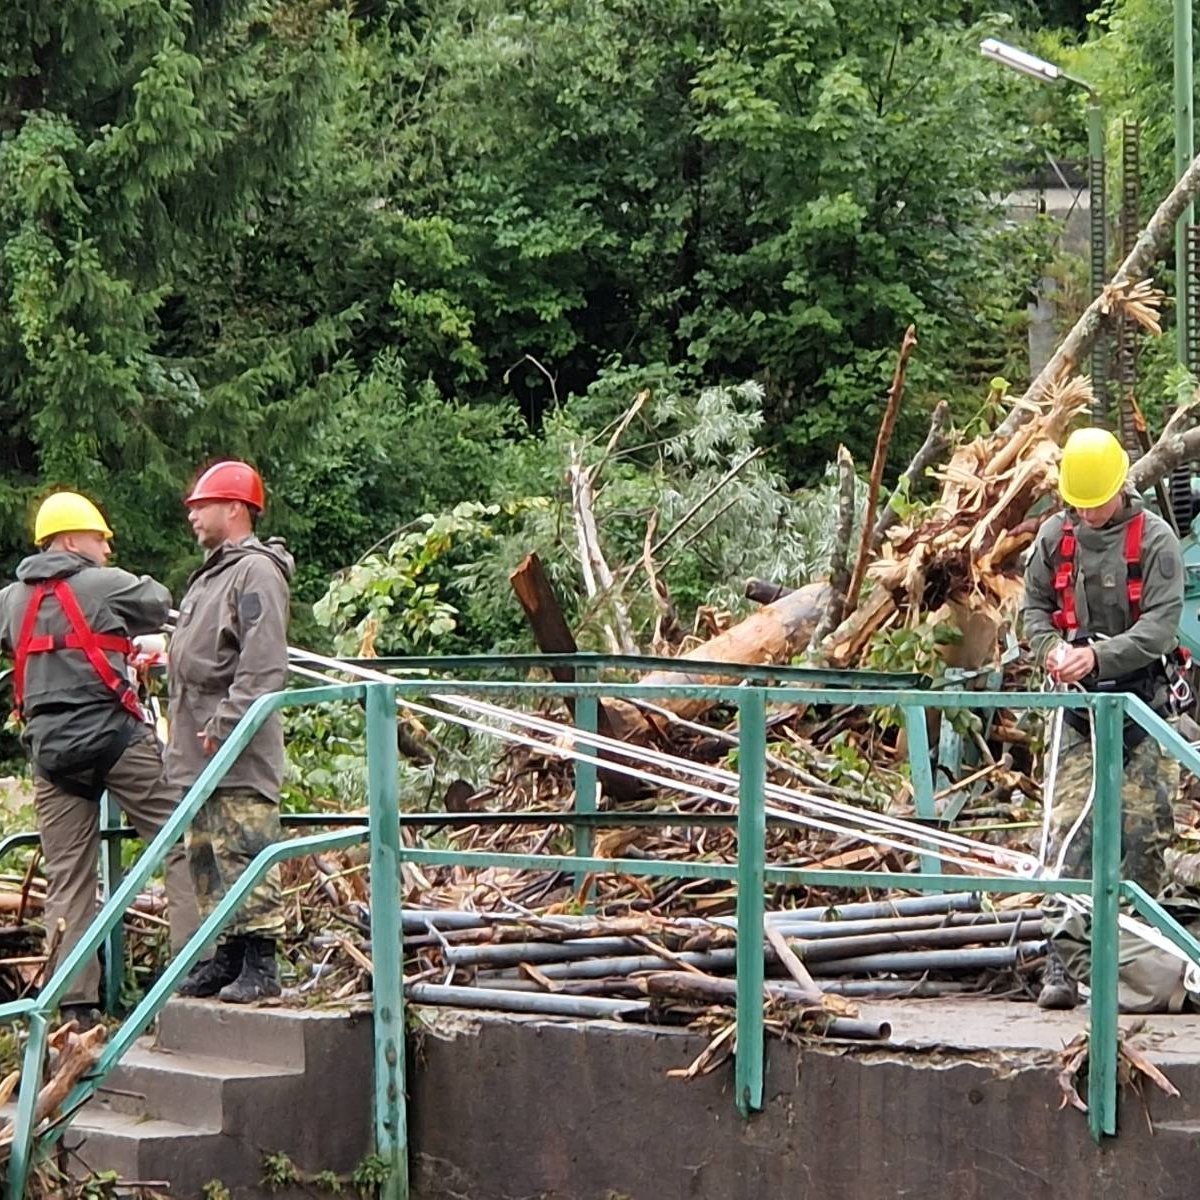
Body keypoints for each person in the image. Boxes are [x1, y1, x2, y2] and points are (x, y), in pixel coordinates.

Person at [0, 492, 199, 1027]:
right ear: (70, 541)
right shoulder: (105, 584)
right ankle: (192, 971)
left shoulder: (9, 601)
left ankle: (75, 1006)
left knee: (69, 877)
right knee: (181, 838)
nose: (107, 546)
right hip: (116, 740)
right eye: (99, 537)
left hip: (51, 757)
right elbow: (158, 602)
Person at [1022, 427, 1185, 1011]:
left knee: (1143, 837)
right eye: (1078, 502)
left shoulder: (1156, 543)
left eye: (1096, 501)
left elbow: (1160, 628)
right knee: (1069, 836)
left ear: (1120, 487)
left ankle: (1139, 961)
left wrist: (1098, 656)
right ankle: (1063, 964)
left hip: (1144, 709)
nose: (1087, 511)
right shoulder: (1054, 537)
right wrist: (1051, 652)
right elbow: (1033, 610)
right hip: (1078, 715)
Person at [165, 461, 293, 1004]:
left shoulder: (255, 572)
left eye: (203, 504)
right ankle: (229, 957)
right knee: (207, 854)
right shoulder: (212, 575)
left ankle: (261, 963)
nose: (193, 513)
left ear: (234, 509)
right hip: (199, 749)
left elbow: (262, 666)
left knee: (245, 847)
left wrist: (226, 726)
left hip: (235, 749)